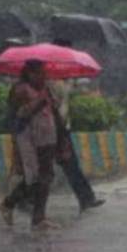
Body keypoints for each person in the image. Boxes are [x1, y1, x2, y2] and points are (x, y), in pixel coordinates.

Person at [1, 60, 60, 230]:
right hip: (28, 138)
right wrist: (39, 102)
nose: (43, 76)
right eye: (40, 73)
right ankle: (9, 203)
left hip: (47, 136)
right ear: (30, 74)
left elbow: (52, 111)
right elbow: (20, 115)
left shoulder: (46, 88)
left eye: (44, 73)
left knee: (46, 177)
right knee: (33, 179)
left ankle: (39, 218)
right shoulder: (20, 90)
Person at [49, 40, 104, 212]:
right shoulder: (50, 78)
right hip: (51, 127)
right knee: (46, 167)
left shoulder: (66, 77)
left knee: (70, 164)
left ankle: (86, 198)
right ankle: (18, 198)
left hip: (63, 126)